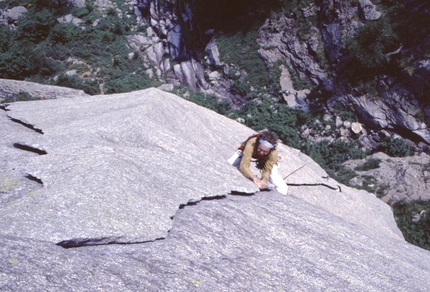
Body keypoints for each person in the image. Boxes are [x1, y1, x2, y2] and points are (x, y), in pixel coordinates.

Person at [228, 130, 288, 195]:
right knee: (230, 164)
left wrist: (264, 179)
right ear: (258, 144)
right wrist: (254, 178)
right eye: (260, 149)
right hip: (246, 153)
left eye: (265, 152)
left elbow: (267, 169)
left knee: (274, 176)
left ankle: (282, 193)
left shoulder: (273, 152)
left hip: (265, 158)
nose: (261, 153)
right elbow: (244, 165)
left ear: (270, 150)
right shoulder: (252, 142)